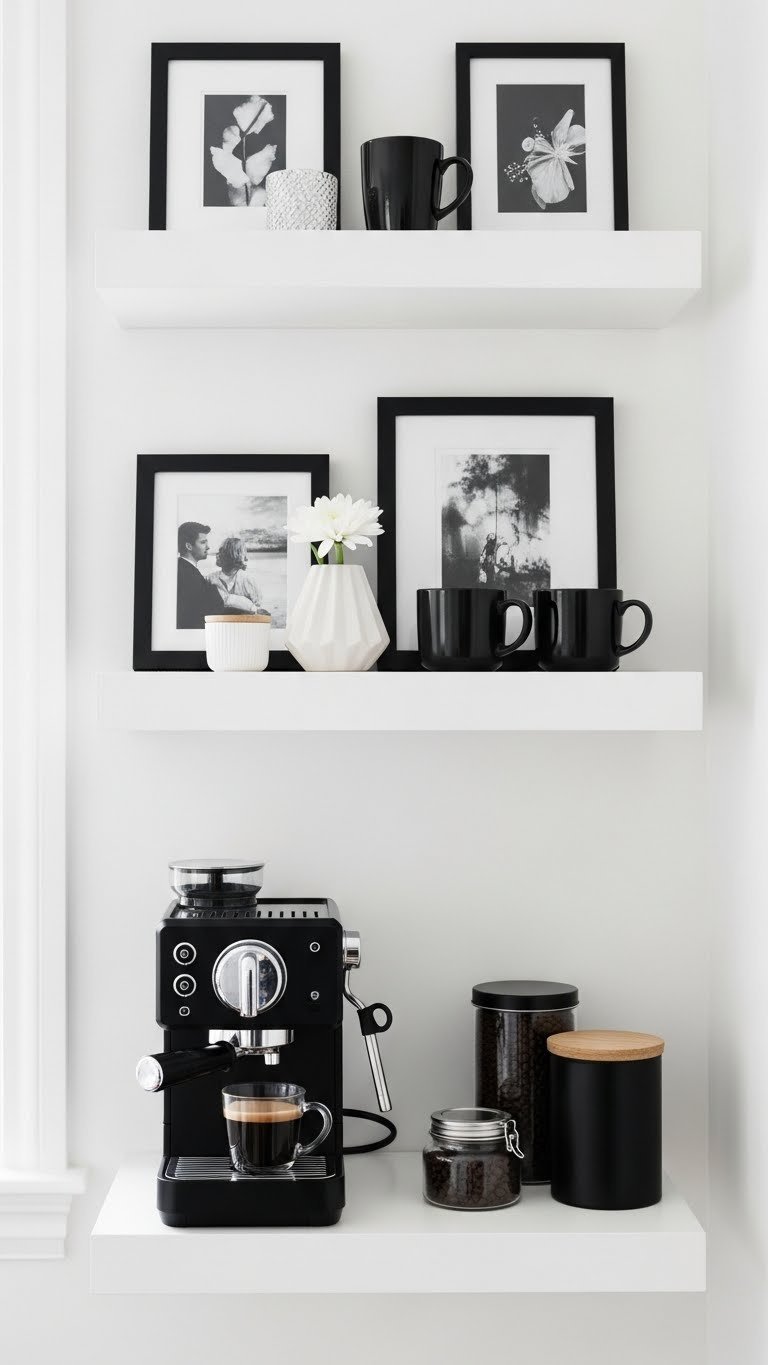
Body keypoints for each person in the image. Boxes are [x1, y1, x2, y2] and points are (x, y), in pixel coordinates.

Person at [177, 522, 233, 629]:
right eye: (203, 542)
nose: (208, 547)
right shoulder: (189, 575)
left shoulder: (182, 568)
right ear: (189, 546)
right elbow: (210, 612)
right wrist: (214, 587)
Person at [206, 536, 263, 613]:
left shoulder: (247, 579)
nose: (219, 555)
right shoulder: (210, 579)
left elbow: (257, 608)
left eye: (224, 554)